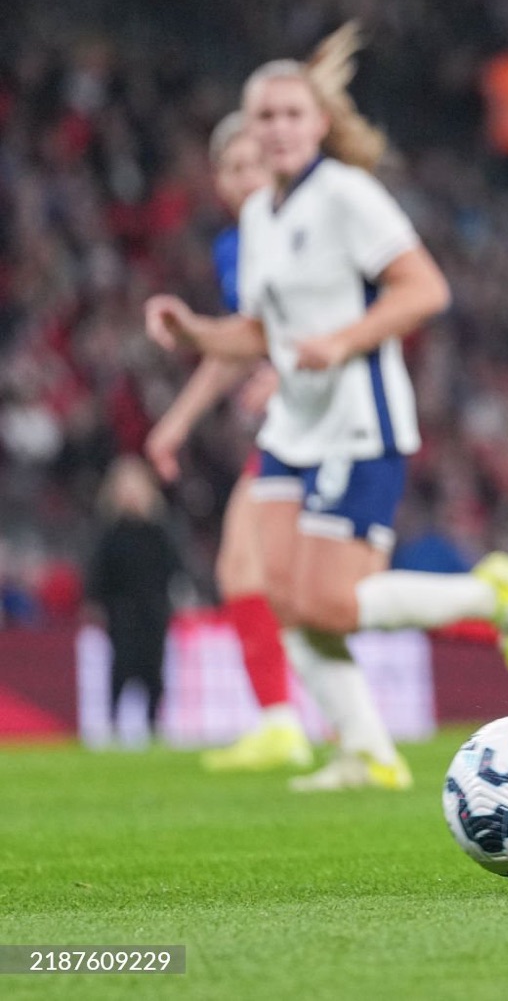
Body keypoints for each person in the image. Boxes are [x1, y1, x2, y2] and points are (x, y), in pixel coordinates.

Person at [147, 23, 508, 790]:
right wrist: (193, 331)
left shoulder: (346, 196)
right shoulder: (261, 216)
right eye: (264, 116)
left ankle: (491, 595)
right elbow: (260, 331)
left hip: (356, 423)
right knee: (279, 595)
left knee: (329, 604)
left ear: (318, 124)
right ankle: (367, 749)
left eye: (291, 114)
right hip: (294, 426)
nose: (278, 128)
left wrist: (342, 340)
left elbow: (425, 289)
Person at [143, 111, 310, 772]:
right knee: (245, 570)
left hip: (337, 415)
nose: (245, 178)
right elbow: (243, 342)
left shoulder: (308, 228)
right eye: (233, 168)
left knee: (326, 590)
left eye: (255, 164)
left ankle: (484, 604)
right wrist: (177, 421)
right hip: (293, 422)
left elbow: (350, 311)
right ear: (218, 181)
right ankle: (280, 723)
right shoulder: (235, 247)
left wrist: (288, 369)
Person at [86, 458, 185, 742]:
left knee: (153, 669)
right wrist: (96, 602)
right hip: (121, 612)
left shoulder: (160, 531)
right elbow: (97, 573)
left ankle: (153, 724)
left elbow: (176, 569)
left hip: (154, 612)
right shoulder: (109, 532)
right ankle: (113, 724)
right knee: (121, 667)